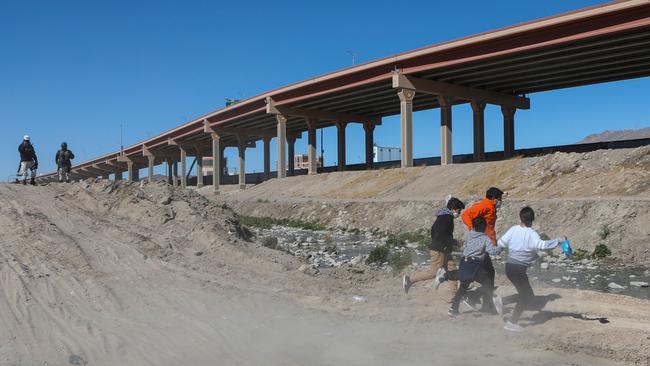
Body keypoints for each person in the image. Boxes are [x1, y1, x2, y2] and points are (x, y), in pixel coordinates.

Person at [497, 206, 565, 332]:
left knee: (525, 294)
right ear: (532, 220)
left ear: (520, 217)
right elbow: (542, 245)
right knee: (527, 296)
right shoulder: (531, 233)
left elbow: (501, 243)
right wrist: (558, 241)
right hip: (518, 269)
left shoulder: (513, 229)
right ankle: (512, 322)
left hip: (509, 267)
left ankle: (502, 301)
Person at [436, 216, 503, 317]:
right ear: (484, 227)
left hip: (464, 261)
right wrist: (502, 247)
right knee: (488, 283)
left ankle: (453, 309)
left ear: (474, 227)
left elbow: (466, 246)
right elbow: (492, 251)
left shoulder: (470, 235)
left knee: (463, 287)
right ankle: (475, 296)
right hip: (474, 264)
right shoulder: (485, 238)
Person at [402, 197, 465, 296]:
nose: (459, 212)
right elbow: (443, 235)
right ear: (454, 208)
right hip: (439, 250)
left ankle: (455, 296)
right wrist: (455, 242)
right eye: (459, 210)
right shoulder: (447, 218)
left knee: (452, 270)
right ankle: (409, 280)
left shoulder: (442, 216)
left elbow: (434, 231)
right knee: (433, 273)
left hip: (443, 249)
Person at [459, 187, 504, 307]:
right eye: (500, 199)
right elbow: (466, 215)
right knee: (488, 273)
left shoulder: (491, 207)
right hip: (482, 244)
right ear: (494, 198)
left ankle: (485, 302)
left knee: (487, 273)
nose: (501, 201)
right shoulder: (485, 205)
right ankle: (475, 298)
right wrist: (471, 228)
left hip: (485, 243)